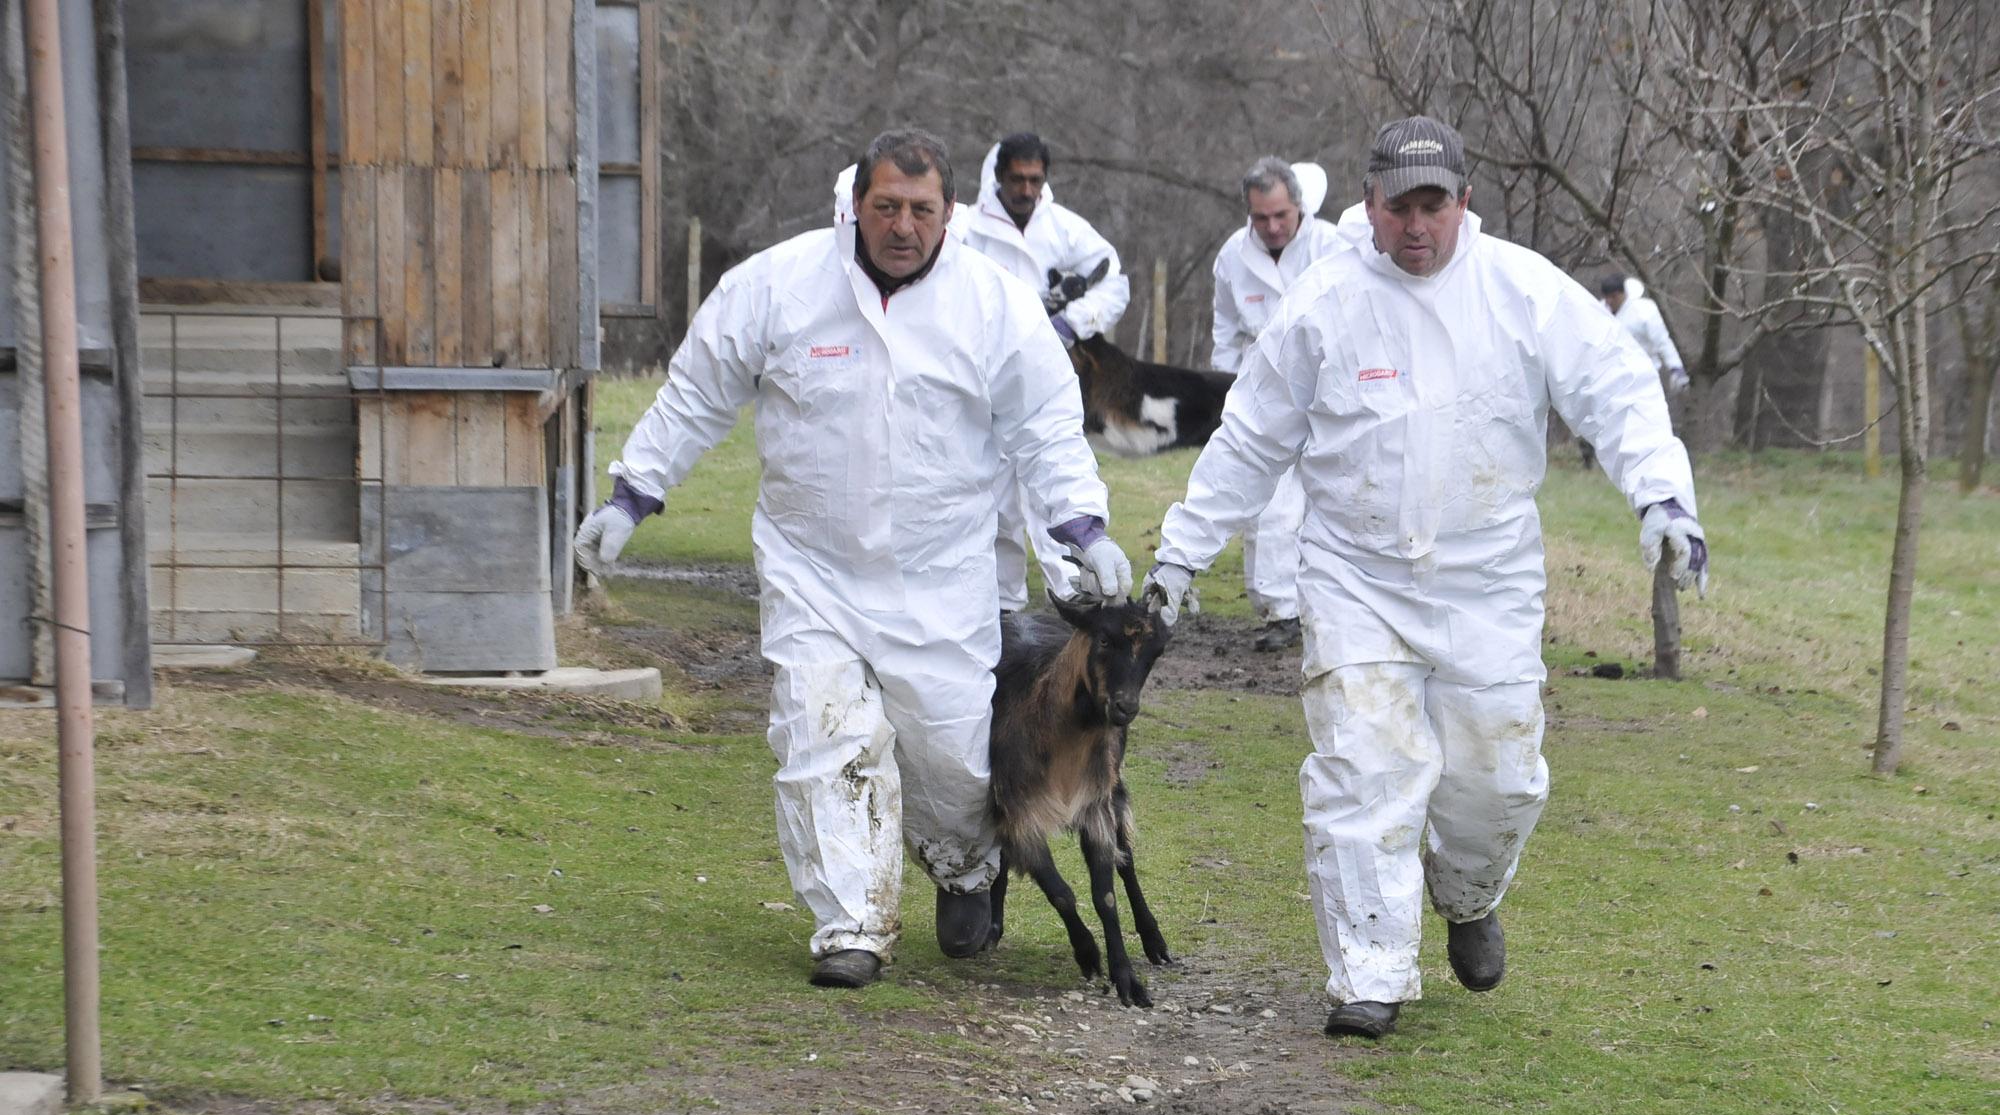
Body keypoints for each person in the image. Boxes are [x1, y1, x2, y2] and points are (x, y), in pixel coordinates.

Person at [1142, 116, 1710, 1039]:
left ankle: (1469, 890)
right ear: (1368, 207)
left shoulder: (1523, 292)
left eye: (1432, 204)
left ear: (1463, 204)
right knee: (1366, 771)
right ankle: (1368, 973)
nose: (1415, 225)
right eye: (1397, 206)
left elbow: (1616, 390)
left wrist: (1663, 499)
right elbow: (1248, 439)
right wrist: (1178, 557)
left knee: (1499, 778)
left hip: (1487, 584)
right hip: (1356, 579)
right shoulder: (1323, 304)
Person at [573, 129, 1133, 990]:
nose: (902, 227)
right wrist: (631, 494)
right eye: (885, 208)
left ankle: (964, 867)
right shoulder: (778, 286)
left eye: (920, 210)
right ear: (854, 205)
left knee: (951, 762)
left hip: (940, 579)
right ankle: (851, 923)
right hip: (813, 569)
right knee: (822, 734)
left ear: (950, 214)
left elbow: (1047, 431)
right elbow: (696, 390)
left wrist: (1083, 531)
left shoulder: (994, 304)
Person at [954, 132, 1131, 611]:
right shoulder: (967, 229)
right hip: (983, 378)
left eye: (1035, 180)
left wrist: (1068, 325)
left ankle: (1075, 598)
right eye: (1017, 179)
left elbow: (1112, 282)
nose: (1027, 189)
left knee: (1054, 477)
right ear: (999, 178)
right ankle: (1002, 607)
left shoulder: (1066, 229)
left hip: (1046, 374)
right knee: (993, 498)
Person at [1210, 157, 1359, 652]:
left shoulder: (1335, 246)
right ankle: (1279, 611)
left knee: (1334, 497)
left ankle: (1338, 607)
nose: (1272, 227)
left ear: (1299, 207)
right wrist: (1226, 394)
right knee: (1268, 503)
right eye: (1260, 218)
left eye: (1281, 216)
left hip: (1329, 383)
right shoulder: (1233, 257)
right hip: (1262, 384)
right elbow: (1225, 332)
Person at [1599, 274, 1689, 393]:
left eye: (1613, 297)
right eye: (1607, 297)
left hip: (1645, 375)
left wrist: (1675, 368)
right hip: (1614, 378)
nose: (1610, 301)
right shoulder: (1600, 313)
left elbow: (1661, 340)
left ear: (1622, 293)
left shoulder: (1644, 311)